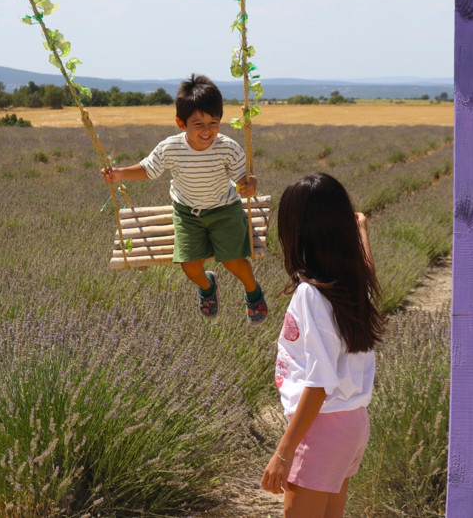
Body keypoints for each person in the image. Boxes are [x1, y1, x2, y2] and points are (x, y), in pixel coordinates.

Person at [261, 173, 385, 517]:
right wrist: (361, 232)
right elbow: (367, 267)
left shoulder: (311, 295)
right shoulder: (355, 282)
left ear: (296, 231)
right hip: (350, 424)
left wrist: (283, 453)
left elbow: (318, 383)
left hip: (321, 428)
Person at [101, 74, 267, 324]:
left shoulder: (229, 148)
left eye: (214, 122)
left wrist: (250, 185)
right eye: (198, 123)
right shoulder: (170, 148)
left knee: (234, 262)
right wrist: (119, 174)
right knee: (189, 265)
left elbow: (244, 178)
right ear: (181, 123)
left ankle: (253, 292)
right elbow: (148, 169)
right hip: (188, 214)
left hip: (225, 209)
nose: (207, 130)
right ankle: (207, 285)